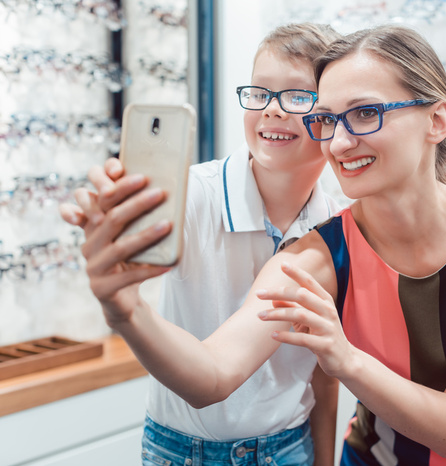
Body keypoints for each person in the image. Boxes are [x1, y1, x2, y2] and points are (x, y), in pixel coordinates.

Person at [67, 25, 446, 465]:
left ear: (437, 121)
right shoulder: (317, 253)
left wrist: (344, 358)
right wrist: (124, 308)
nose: (340, 143)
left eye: (366, 113)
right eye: (329, 119)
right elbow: (213, 376)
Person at [60, 23, 342, 466]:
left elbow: (325, 373)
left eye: (297, 96)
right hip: (179, 451)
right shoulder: (193, 194)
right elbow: (208, 380)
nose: (272, 110)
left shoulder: (335, 227)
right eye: (260, 92)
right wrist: (119, 283)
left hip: (290, 447)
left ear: (331, 117)